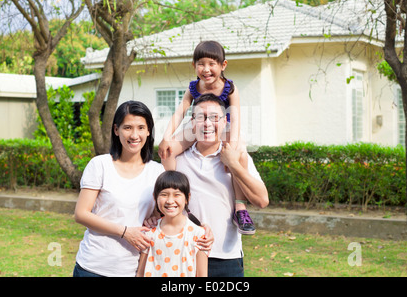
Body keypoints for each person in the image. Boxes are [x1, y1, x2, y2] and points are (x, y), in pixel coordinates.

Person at [162, 94, 269, 277]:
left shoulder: (238, 156)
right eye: (200, 117)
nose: (207, 123)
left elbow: (262, 200)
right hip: (182, 254)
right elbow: (164, 154)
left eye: (214, 117)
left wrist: (233, 164)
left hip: (226, 259)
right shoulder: (178, 159)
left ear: (225, 121)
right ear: (192, 123)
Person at [158, 40, 256, 235]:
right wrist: (166, 137)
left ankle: (240, 209)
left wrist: (232, 147)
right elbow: (179, 113)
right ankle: (173, 195)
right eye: (201, 64)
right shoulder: (194, 87)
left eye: (212, 64)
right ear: (194, 66)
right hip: (197, 126)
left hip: (224, 127)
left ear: (223, 66)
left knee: (237, 157)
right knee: (167, 151)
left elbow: (235, 119)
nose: (206, 69)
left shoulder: (229, 88)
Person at [72, 100, 166, 277]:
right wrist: (125, 232)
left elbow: (158, 214)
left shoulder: (157, 172)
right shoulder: (100, 165)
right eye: (127, 127)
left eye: (140, 127)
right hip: (92, 267)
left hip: (130, 268)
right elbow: (81, 214)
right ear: (116, 130)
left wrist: (154, 218)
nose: (134, 135)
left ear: (148, 131)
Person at [136, 170, 208, 277]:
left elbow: (202, 275)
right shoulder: (149, 232)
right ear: (155, 197)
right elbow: (140, 273)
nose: (170, 201)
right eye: (164, 195)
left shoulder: (198, 234)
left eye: (177, 195)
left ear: (187, 198)